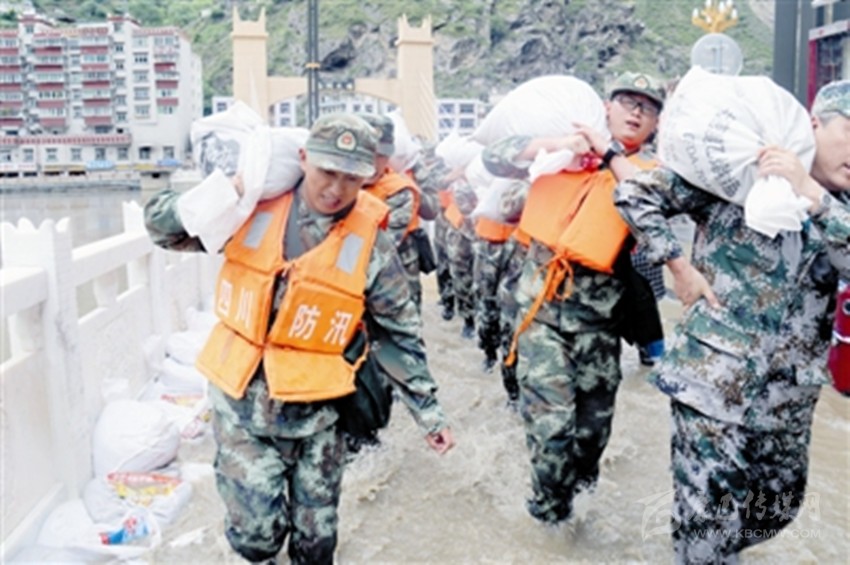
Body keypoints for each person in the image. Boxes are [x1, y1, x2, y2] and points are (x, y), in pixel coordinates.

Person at [144, 113, 454, 564]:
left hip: (321, 411)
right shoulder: (250, 210)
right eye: (327, 171)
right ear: (304, 159)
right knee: (256, 538)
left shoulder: (371, 242)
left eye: (352, 178)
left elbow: (397, 333)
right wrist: (229, 189)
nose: (336, 189)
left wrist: (429, 413)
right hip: (243, 404)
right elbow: (161, 228)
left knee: (316, 545)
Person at [613, 79, 850, 563]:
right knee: (710, 528)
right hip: (712, 381)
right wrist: (678, 265)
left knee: (778, 508)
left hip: (787, 398)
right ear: (814, 125)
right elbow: (634, 192)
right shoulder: (742, 176)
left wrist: (813, 196)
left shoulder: (839, 209)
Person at [482, 72, 666, 523]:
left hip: (600, 327)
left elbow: (652, 206)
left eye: (647, 107)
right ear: (607, 108)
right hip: (541, 317)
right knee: (553, 432)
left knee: (590, 440)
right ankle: (546, 523)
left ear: (656, 123)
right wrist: (561, 143)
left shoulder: (652, 173)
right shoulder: (563, 156)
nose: (636, 111)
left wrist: (608, 155)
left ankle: (574, 520)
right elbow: (494, 156)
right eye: (627, 101)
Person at [358, 113, 428, 310]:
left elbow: (384, 246)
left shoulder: (399, 190)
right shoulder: (335, 187)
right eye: (368, 153)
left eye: (382, 155)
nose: (375, 162)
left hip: (392, 282)